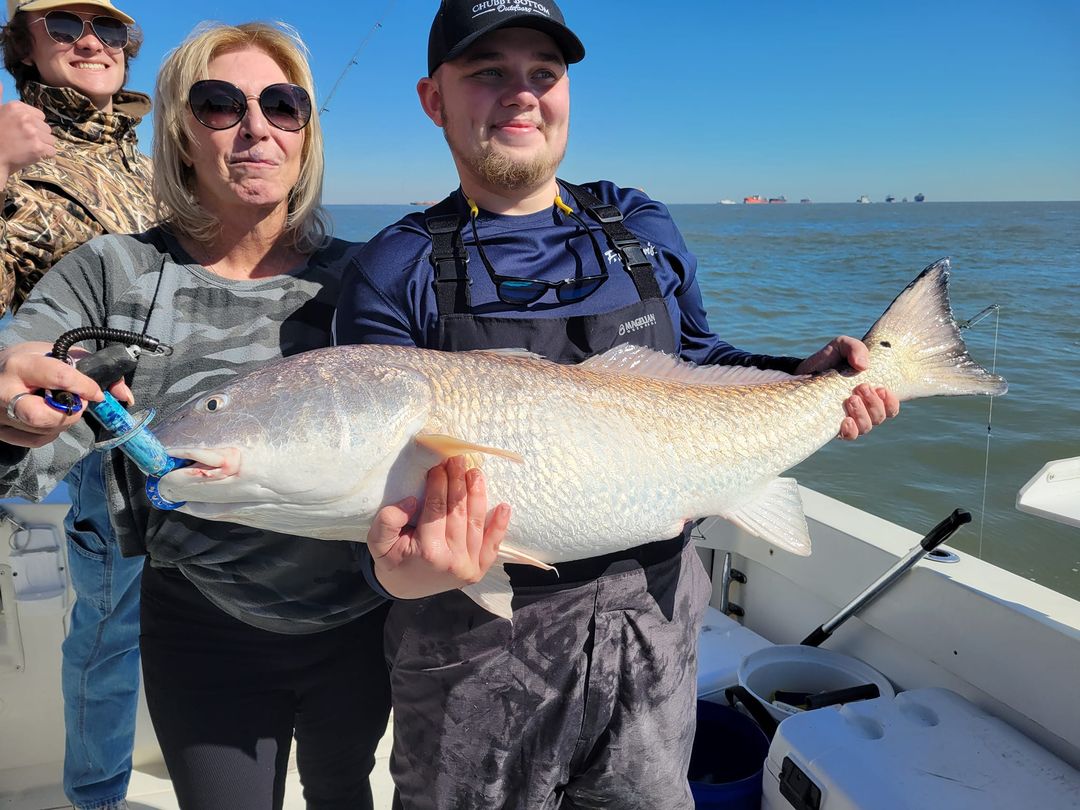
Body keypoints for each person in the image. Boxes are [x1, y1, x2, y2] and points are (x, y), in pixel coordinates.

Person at [335, 1, 901, 808]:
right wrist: (400, 570)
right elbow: (365, 491)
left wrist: (805, 375)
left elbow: (703, 363)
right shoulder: (396, 266)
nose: (521, 93)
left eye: (543, 73)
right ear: (434, 99)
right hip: (475, 647)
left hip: (658, 617)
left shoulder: (637, 225)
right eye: (489, 72)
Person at [0, 21, 483, 810]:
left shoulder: (376, 277)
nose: (257, 127)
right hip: (200, 626)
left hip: (363, 616)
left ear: (306, 135)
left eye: (285, 106)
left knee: (344, 789)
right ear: (181, 133)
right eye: (220, 104)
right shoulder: (113, 273)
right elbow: (30, 371)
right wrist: (14, 403)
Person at [0, 2, 153, 808]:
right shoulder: (21, 155)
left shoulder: (146, 159)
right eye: (63, 24)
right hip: (97, 443)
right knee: (109, 631)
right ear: (23, 44)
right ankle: (98, 798)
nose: (91, 41)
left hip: (187, 427)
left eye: (108, 26)